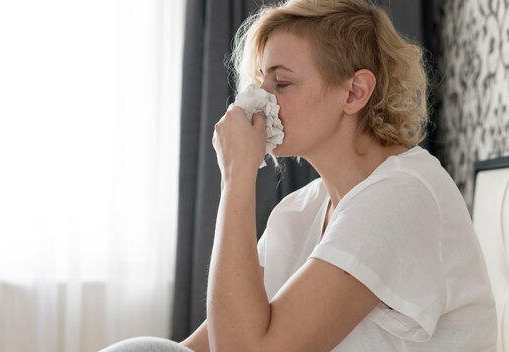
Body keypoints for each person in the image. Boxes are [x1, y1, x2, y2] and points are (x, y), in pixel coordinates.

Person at [102, 0, 497, 351]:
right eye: (260, 82)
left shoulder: (402, 196)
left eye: (282, 82)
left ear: (354, 92)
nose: (256, 102)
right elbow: (206, 344)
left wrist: (236, 177)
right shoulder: (300, 210)